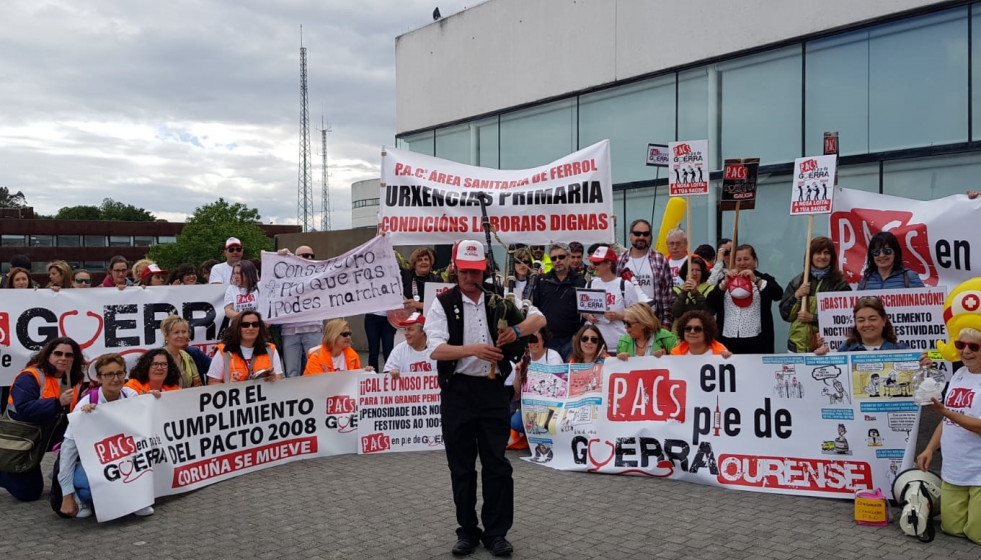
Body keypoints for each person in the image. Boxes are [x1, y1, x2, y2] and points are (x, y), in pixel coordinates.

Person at [427, 239, 545, 557]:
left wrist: (517, 332)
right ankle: (467, 530)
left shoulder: (500, 297)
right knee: (461, 467)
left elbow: (539, 319)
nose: (470, 278)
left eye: (476, 271)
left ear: (484, 269)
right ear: (455, 269)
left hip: (493, 392)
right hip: (458, 392)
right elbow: (434, 349)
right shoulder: (443, 302)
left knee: (497, 464)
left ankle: (496, 533)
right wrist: (473, 349)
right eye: (465, 271)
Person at [59, 353, 156, 518]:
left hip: (125, 456)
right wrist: (66, 495)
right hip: (94, 461)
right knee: (87, 486)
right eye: (109, 374)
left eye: (119, 373)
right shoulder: (85, 404)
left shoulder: (130, 396)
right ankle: (81, 499)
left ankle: (137, 500)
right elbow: (68, 449)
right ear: (98, 378)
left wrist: (156, 400)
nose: (115, 379)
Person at [916, 327, 981, 544]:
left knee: (977, 534)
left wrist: (944, 410)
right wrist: (929, 448)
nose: (966, 351)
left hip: (979, 471)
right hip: (955, 469)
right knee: (951, 529)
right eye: (960, 345)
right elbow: (949, 420)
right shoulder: (960, 374)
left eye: (974, 346)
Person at [0, 337, 84, 502]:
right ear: (48, 355)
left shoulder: (75, 377)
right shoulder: (30, 376)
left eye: (69, 355)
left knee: (82, 438)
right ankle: (3, 470)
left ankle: (66, 475)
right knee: (29, 494)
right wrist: (57, 402)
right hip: (24, 437)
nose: (63, 358)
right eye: (58, 353)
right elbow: (24, 409)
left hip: (51, 431)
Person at [780, 236, 852, 353]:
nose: (822, 257)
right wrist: (797, 295)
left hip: (825, 348)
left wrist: (813, 318)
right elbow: (786, 315)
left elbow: (845, 320)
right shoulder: (798, 281)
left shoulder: (839, 284)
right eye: (818, 253)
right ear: (810, 256)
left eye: (826, 253)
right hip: (797, 347)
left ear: (832, 257)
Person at [710, 244, 783, 354]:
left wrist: (756, 280)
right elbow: (710, 305)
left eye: (746, 259)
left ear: (754, 260)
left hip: (758, 341)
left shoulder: (764, 278)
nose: (742, 263)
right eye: (738, 260)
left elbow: (778, 294)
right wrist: (724, 285)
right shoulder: (726, 279)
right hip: (728, 340)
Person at [583, 245, 648, 351]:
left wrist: (619, 316)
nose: (593, 266)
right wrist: (588, 316)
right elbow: (583, 311)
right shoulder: (590, 284)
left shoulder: (625, 285)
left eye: (597, 263)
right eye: (593, 262)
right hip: (594, 345)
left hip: (620, 344)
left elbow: (638, 315)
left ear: (608, 264)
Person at [531, 242, 584, 360]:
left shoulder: (580, 281)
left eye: (561, 257)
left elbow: (584, 312)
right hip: (548, 340)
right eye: (554, 258)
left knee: (570, 375)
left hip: (570, 340)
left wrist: (578, 334)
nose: (557, 261)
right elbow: (535, 308)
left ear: (568, 257)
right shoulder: (542, 280)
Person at [616, 219, 674, 326]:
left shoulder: (660, 259)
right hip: (626, 323)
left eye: (646, 234)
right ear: (630, 236)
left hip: (654, 321)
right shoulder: (619, 261)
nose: (641, 237)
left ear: (650, 237)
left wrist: (666, 324)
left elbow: (668, 295)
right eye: (637, 233)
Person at [281, 246, 324, 378]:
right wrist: (281, 257)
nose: (309, 258)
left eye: (312, 255)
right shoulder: (285, 273)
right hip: (290, 330)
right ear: (295, 257)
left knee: (316, 367)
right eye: (305, 255)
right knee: (292, 370)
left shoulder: (320, 273)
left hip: (313, 328)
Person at [207, 312, 283, 383]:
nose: (251, 328)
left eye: (255, 324)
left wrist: (274, 379)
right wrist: (229, 386)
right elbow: (213, 382)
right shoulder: (223, 351)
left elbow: (279, 379)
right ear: (237, 328)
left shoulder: (270, 349)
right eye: (245, 325)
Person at [816, 296, 907, 353]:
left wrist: (921, 362)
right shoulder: (845, 349)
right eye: (861, 320)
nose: (867, 324)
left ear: (883, 320)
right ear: (855, 322)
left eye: (872, 319)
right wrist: (822, 358)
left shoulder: (902, 350)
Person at [857, 231, 925, 290]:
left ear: (895, 253)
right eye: (876, 252)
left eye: (887, 251)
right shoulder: (866, 279)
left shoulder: (909, 277)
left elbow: (924, 302)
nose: (881, 255)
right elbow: (858, 304)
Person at [305, 319, 372, 374]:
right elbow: (317, 385)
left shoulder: (352, 355)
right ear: (333, 335)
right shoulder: (316, 358)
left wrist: (364, 372)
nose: (348, 337)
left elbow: (356, 378)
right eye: (345, 334)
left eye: (349, 334)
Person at [383, 313, 435, 378]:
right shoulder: (399, 349)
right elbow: (387, 373)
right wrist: (392, 372)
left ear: (423, 331)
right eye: (405, 329)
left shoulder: (436, 348)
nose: (406, 333)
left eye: (410, 329)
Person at [159, 315, 204, 388]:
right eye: (176, 332)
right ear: (166, 336)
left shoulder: (187, 356)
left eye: (184, 332)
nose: (181, 335)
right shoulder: (158, 357)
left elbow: (197, 384)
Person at [671, 256, 716, 322]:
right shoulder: (676, 290)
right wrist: (684, 293)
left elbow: (709, 312)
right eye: (691, 270)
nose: (694, 273)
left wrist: (696, 293)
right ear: (686, 273)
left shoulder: (711, 289)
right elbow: (675, 312)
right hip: (679, 330)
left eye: (698, 270)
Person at [402, 247, 441, 312]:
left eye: (426, 259)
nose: (423, 262)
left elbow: (439, 305)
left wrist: (418, 305)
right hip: (407, 317)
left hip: (428, 318)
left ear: (431, 263)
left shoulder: (437, 280)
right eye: (420, 260)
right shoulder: (405, 276)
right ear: (414, 264)